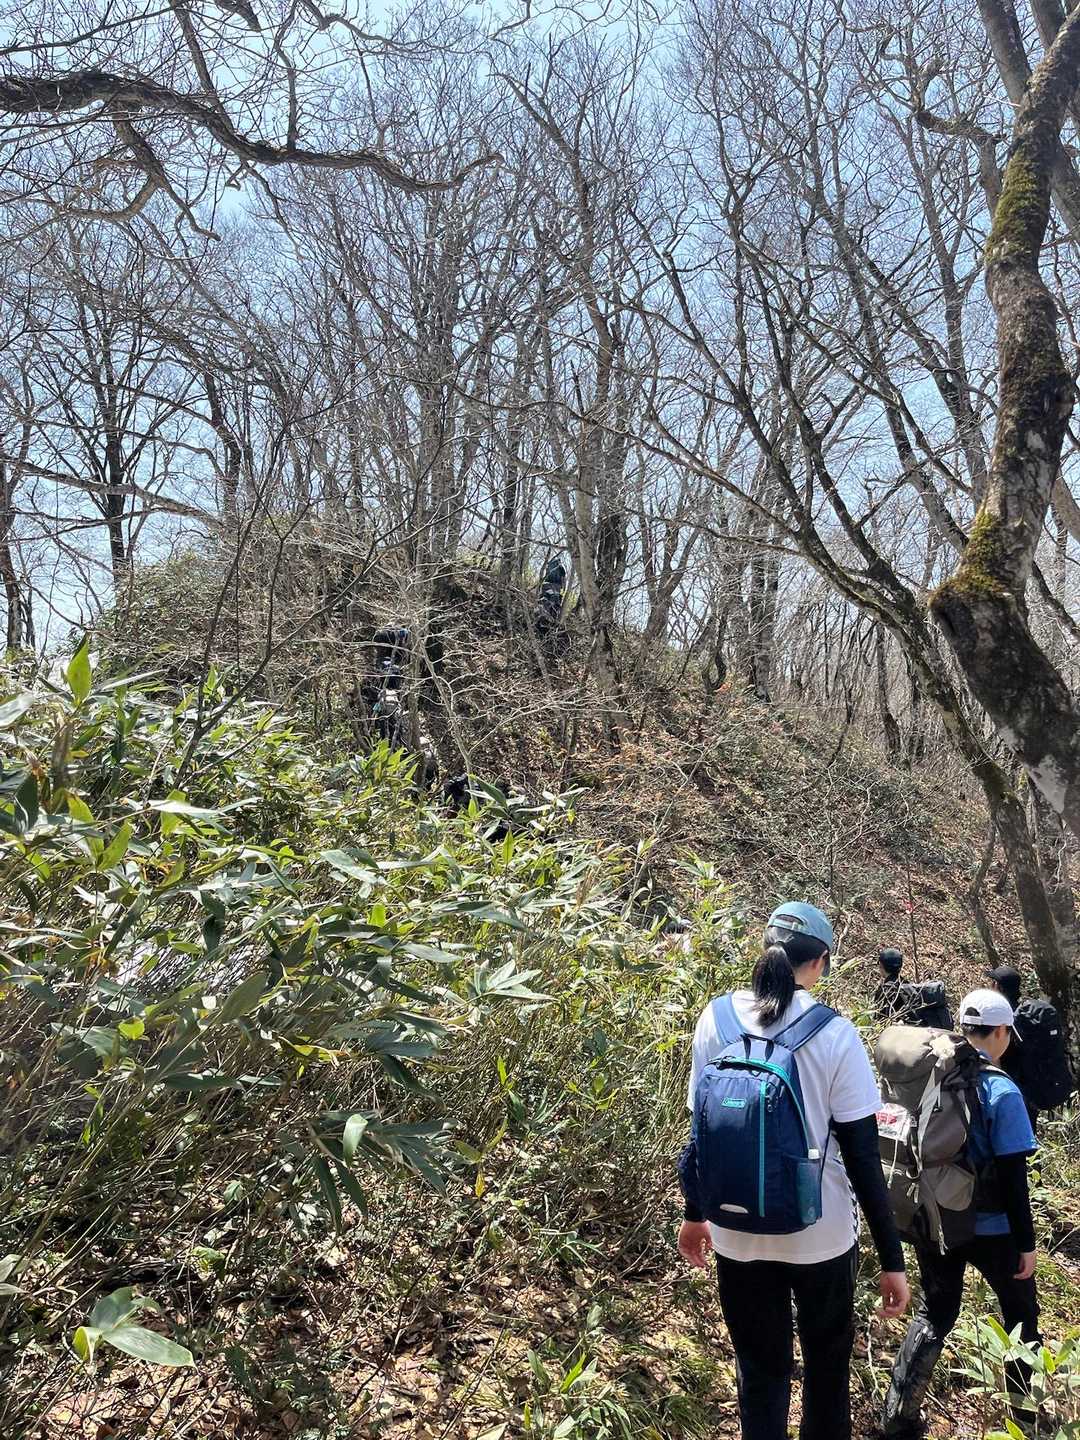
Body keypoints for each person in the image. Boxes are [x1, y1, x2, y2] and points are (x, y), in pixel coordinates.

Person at [678, 900, 910, 1440]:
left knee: (759, 1372)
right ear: (821, 961)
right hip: (820, 1236)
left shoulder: (715, 1019)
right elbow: (862, 1157)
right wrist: (892, 1260)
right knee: (827, 1371)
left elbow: (701, 1133)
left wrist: (695, 1214)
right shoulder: (835, 1034)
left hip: (735, 1230)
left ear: (764, 950)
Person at [881, 988, 1040, 1439]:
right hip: (994, 1230)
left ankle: (898, 1417)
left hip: (936, 1218)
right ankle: (1022, 1421)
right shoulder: (1001, 1090)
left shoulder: (932, 1077)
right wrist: (1026, 1244)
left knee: (935, 1313)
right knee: (1021, 1319)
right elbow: (1013, 1178)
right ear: (1002, 1032)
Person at [987, 962, 1075, 1132]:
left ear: (997, 987)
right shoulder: (1027, 1013)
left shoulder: (1005, 1019)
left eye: (992, 983)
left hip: (1014, 1090)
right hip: (1033, 1089)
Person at [873, 948, 953, 1030]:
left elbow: (880, 1021)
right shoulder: (909, 987)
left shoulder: (885, 990)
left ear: (881, 965)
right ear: (900, 967)